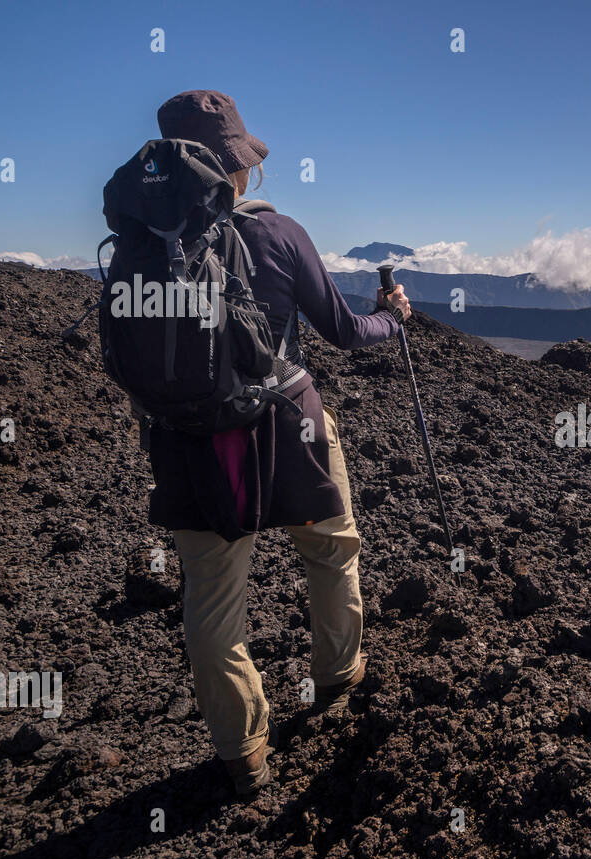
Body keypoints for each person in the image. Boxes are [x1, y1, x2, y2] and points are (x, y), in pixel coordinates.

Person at [149, 90, 411, 797]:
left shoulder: (147, 246)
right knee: (331, 553)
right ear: (238, 162)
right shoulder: (281, 233)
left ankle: (243, 753)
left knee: (210, 604)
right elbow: (347, 334)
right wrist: (394, 321)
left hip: (192, 446)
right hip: (290, 429)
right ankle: (337, 674)